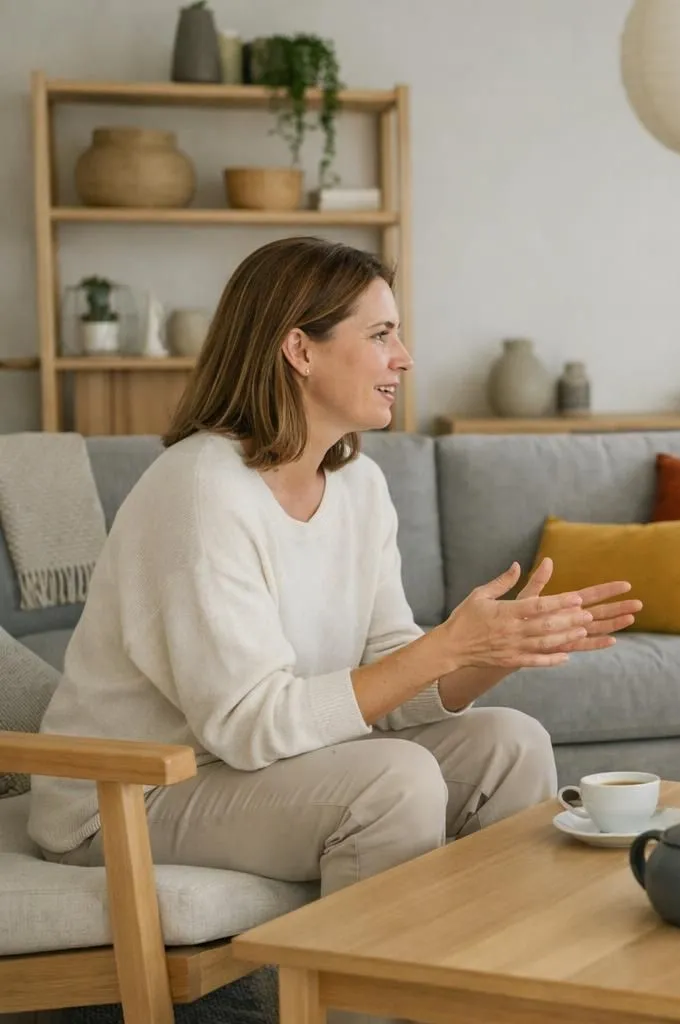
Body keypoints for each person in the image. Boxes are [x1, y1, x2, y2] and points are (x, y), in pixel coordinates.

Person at [28, 236, 642, 902]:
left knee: (512, 743)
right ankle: (373, 1000)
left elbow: (389, 679)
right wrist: (447, 646)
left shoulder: (360, 486)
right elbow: (248, 724)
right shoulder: (201, 489)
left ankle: (497, 978)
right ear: (300, 349)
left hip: (268, 767)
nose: (403, 359)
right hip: (134, 792)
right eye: (381, 335)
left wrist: (498, 650)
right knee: (393, 780)